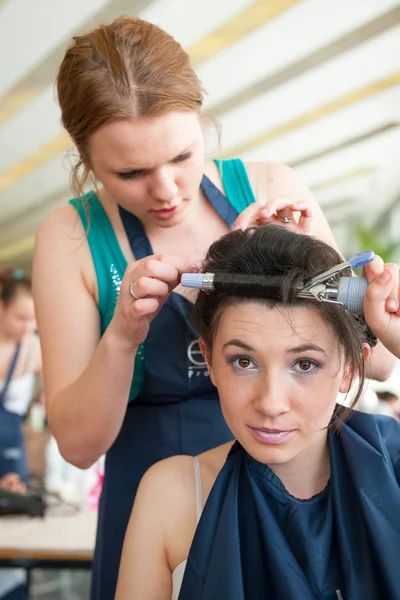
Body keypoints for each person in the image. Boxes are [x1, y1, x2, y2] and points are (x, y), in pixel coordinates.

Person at [32, 16, 395, 599]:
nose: (168, 191)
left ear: (203, 121)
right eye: (131, 172)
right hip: (163, 490)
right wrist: (123, 335)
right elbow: (77, 446)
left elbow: (369, 363)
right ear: (84, 159)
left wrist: (286, 265)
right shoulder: (70, 237)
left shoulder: (275, 185)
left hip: (297, 481)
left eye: (182, 155)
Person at [115, 224, 400, 600]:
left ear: (350, 368)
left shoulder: (393, 464)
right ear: (209, 361)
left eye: (304, 365)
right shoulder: (173, 494)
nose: (270, 402)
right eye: (244, 361)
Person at [0, 271, 40, 600]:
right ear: (1, 308)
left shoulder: (33, 349)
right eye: (21, 317)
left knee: (14, 547)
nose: (28, 327)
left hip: (12, 456)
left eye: (34, 319)